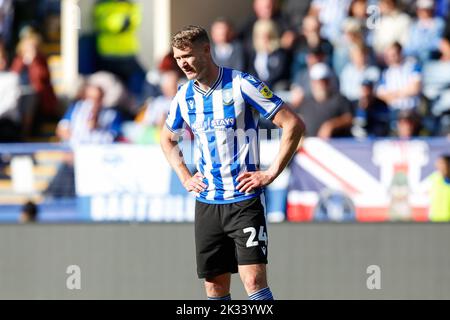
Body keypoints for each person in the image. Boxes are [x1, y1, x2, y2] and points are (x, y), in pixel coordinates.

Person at [160, 26, 304, 300]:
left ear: (206, 49)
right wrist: (184, 175)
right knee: (214, 287)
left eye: (188, 55)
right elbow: (167, 139)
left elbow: (293, 124)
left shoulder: (241, 83)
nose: (184, 64)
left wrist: (271, 172)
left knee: (254, 282)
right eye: (179, 59)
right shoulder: (183, 96)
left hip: (244, 200)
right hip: (207, 202)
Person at [429, 154, 450, 222]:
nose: (438, 165)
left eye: (442, 163)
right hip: (435, 220)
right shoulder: (434, 178)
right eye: (438, 163)